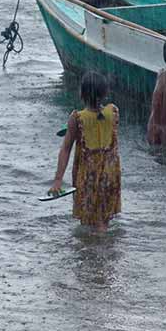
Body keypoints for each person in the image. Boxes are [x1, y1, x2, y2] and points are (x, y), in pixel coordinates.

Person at [49, 71, 121, 230]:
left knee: (89, 220)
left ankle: (92, 251)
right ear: (105, 93)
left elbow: (66, 149)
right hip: (110, 176)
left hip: (88, 177)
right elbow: (98, 122)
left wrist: (58, 180)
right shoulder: (114, 112)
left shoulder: (77, 118)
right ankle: (105, 249)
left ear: (81, 93)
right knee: (104, 218)